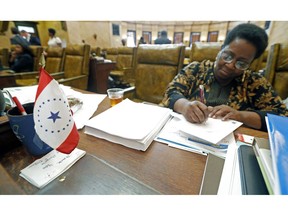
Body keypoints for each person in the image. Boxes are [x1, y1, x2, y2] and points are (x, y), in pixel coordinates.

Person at [160, 23, 288, 132]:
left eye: (241, 63)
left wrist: (240, 116)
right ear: (220, 50)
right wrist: (185, 106)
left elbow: (282, 116)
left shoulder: (254, 82)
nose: (231, 65)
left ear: (250, 63)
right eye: (227, 56)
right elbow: (171, 92)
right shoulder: (195, 70)